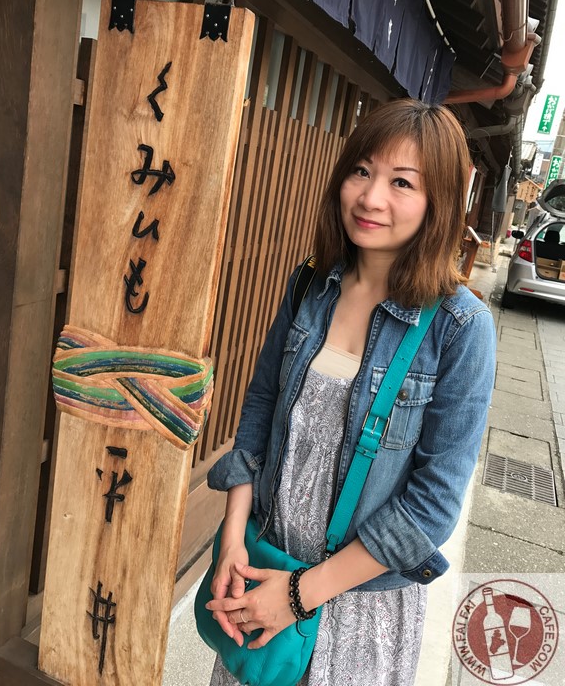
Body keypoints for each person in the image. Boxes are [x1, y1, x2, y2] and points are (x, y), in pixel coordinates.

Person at [204, 99, 497, 686]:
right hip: (263, 572)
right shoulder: (311, 284)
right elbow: (259, 408)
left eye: (402, 182)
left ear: (438, 202)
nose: (371, 197)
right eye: (361, 171)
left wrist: (298, 596)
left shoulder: (460, 328)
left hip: (360, 609)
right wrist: (234, 536)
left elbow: (431, 507)